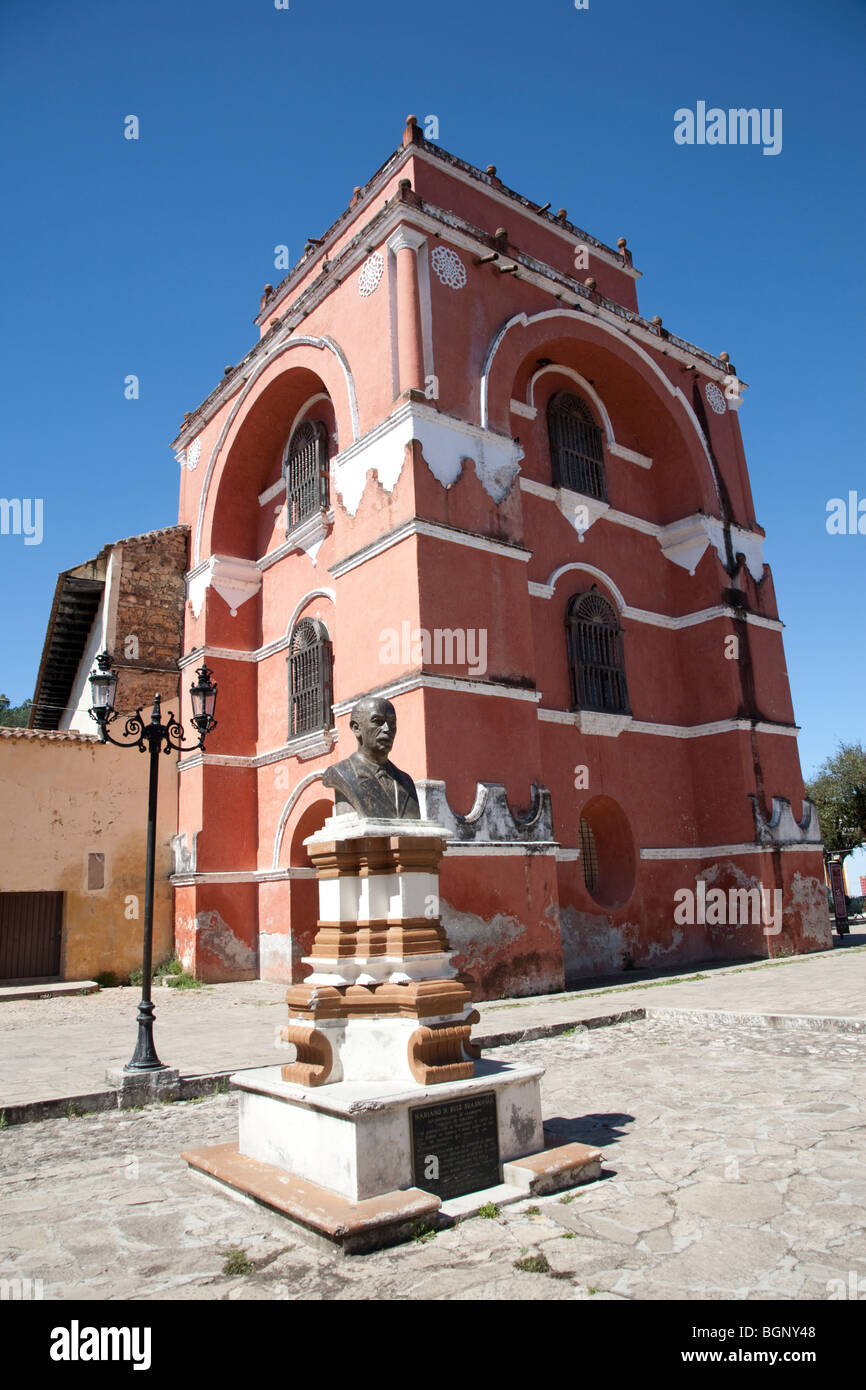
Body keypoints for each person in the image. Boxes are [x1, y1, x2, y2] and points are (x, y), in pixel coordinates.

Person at [322, 696, 420, 819]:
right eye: (377, 721)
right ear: (356, 728)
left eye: (392, 723)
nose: (387, 729)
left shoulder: (406, 782)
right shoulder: (342, 773)